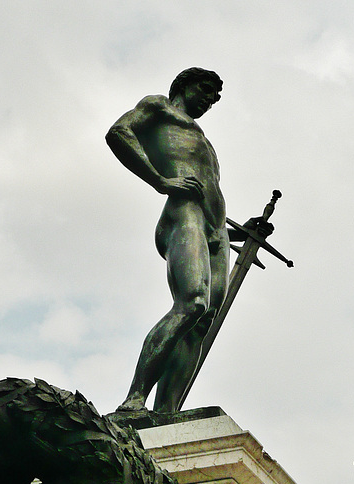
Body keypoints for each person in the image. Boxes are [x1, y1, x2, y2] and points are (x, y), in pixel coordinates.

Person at [106, 68, 262, 413]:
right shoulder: (159, 107)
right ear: (183, 85)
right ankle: (134, 399)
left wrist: (239, 233)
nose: (210, 100)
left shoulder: (203, 139)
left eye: (216, 97)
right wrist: (160, 181)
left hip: (216, 229)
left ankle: (166, 413)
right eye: (205, 91)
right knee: (191, 302)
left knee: (202, 320)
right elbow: (118, 133)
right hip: (183, 212)